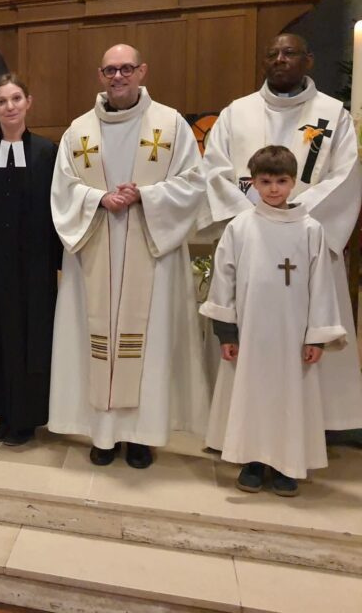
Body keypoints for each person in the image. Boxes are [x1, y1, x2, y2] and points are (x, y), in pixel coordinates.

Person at [49, 44, 210, 468]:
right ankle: (102, 436)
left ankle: (141, 437)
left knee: (148, 343)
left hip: (149, 247)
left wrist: (147, 196)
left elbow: (195, 183)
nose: (117, 76)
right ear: (100, 76)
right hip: (96, 247)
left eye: (125, 69)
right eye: (109, 70)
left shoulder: (170, 124)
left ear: (142, 70)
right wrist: (99, 198)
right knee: (95, 340)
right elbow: (62, 189)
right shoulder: (78, 131)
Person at [200, 33, 362, 433]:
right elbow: (215, 171)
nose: (280, 59)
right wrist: (254, 219)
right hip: (250, 243)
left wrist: (293, 219)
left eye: (289, 53)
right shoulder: (236, 113)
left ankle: (322, 422)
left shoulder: (332, 114)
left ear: (308, 60)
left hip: (310, 241)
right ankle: (237, 425)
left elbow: (345, 177)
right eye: (272, 54)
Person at [202, 145, 346, 496]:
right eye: (265, 181)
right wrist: (226, 332)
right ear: (252, 182)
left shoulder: (310, 229)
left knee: (289, 398)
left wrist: (316, 337)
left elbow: (322, 287)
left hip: (293, 336)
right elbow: (225, 280)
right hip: (251, 334)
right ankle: (252, 461)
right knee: (252, 395)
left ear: (294, 182)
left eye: (281, 181)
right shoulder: (241, 227)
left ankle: (287, 465)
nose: (274, 189)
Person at [0, 75, 61, 446]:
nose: (10, 106)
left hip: (32, 266)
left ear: (28, 102)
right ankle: (2, 412)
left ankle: (27, 417)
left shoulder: (45, 151)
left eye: (16, 98)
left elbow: (56, 209)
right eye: (2, 101)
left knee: (30, 337)